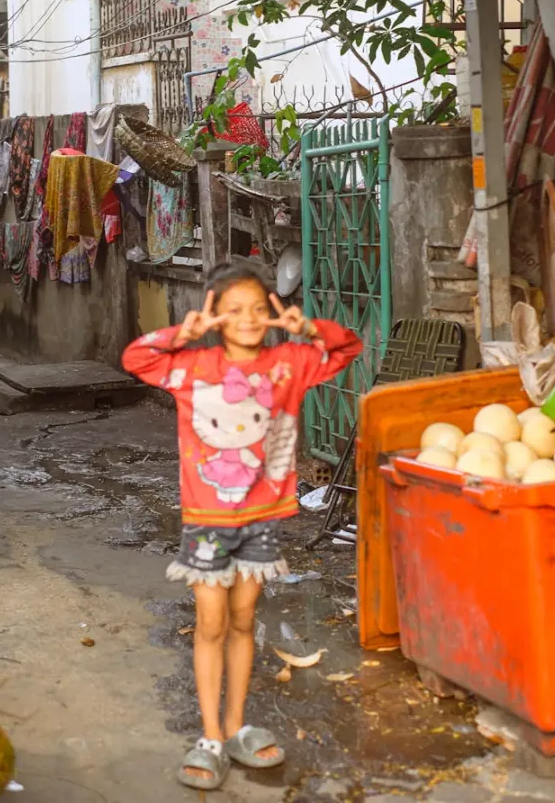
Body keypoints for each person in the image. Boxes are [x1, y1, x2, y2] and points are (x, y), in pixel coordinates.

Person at [122, 260, 363, 791]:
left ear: (273, 311)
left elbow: (347, 348)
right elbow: (136, 358)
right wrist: (182, 333)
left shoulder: (290, 363)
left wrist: (306, 328)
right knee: (209, 623)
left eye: (259, 307)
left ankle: (235, 727)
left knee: (243, 622)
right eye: (233, 309)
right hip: (207, 522)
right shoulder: (191, 365)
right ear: (214, 315)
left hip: (262, 521)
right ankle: (210, 735)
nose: (249, 318)